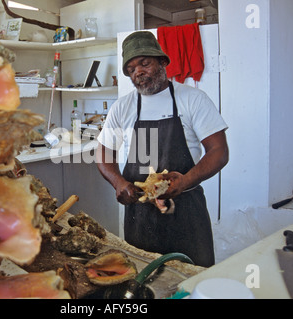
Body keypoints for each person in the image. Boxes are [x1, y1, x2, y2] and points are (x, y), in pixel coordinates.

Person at [96, 31, 229, 267]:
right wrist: (118, 182)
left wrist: (185, 181)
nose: (138, 72)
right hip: (140, 216)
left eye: (144, 63)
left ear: (163, 62)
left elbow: (219, 151)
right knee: (146, 282)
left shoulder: (193, 99)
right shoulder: (123, 107)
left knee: (192, 280)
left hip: (187, 211)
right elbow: (103, 153)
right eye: (131, 68)